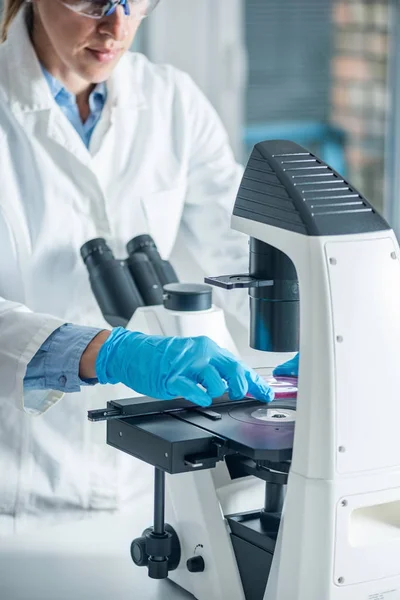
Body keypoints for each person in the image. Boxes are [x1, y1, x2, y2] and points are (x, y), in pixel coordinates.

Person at [0, 0, 294, 539]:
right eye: (92, 1)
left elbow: (239, 248)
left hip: (146, 492)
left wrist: (299, 329)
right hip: (15, 497)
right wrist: (105, 352)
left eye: (135, 3)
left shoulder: (171, 100)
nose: (116, 27)